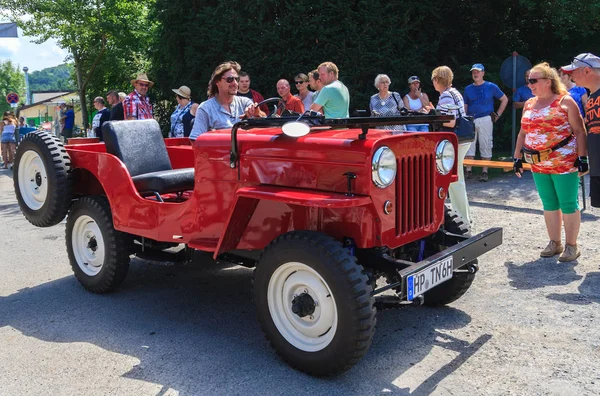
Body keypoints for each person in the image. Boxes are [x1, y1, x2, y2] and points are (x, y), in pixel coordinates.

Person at [513, 62, 588, 262]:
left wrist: (582, 158)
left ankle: (572, 246)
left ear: (548, 81)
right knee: (549, 203)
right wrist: (517, 157)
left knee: (568, 204)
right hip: (538, 163)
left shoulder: (566, 101)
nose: (530, 84)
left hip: (564, 163)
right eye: (529, 80)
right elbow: (523, 132)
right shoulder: (529, 104)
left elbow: (580, 131)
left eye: (533, 80)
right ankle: (555, 243)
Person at [430, 66, 472, 224]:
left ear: (437, 80)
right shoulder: (455, 92)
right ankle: (465, 218)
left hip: (456, 140)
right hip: (463, 139)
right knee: (457, 179)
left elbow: (450, 121)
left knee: (455, 180)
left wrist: (433, 116)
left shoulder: (446, 96)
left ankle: (462, 220)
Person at [561, 52, 600, 209]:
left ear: (586, 70)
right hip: (597, 169)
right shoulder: (591, 99)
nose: (570, 76)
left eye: (573, 71)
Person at [190, 61, 264, 140]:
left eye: (237, 79)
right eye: (230, 79)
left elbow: (265, 130)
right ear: (217, 82)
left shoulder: (245, 103)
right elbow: (195, 140)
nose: (235, 83)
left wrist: (258, 114)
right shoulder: (205, 108)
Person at [464, 63, 509, 181]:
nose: (476, 74)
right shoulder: (468, 89)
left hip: (485, 119)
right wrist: (464, 120)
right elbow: (465, 106)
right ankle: (468, 171)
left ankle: (485, 172)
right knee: (469, 145)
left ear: (483, 73)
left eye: (478, 71)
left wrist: (498, 114)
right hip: (471, 119)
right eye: (474, 72)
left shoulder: (491, 86)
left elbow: (504, 99)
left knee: (486, 144)